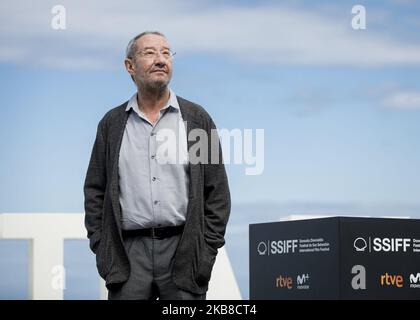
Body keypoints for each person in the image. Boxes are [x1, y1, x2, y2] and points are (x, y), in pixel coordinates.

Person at [83, 31, 231, 300]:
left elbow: (217, 192)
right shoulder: (111, 124)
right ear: (130, 66)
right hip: (127, 256)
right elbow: (95, 190)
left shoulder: (197, 119)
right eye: (149, 53)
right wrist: (102, 246)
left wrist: (205, 251)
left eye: (166, 53)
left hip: (185, 252)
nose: (161, 59)